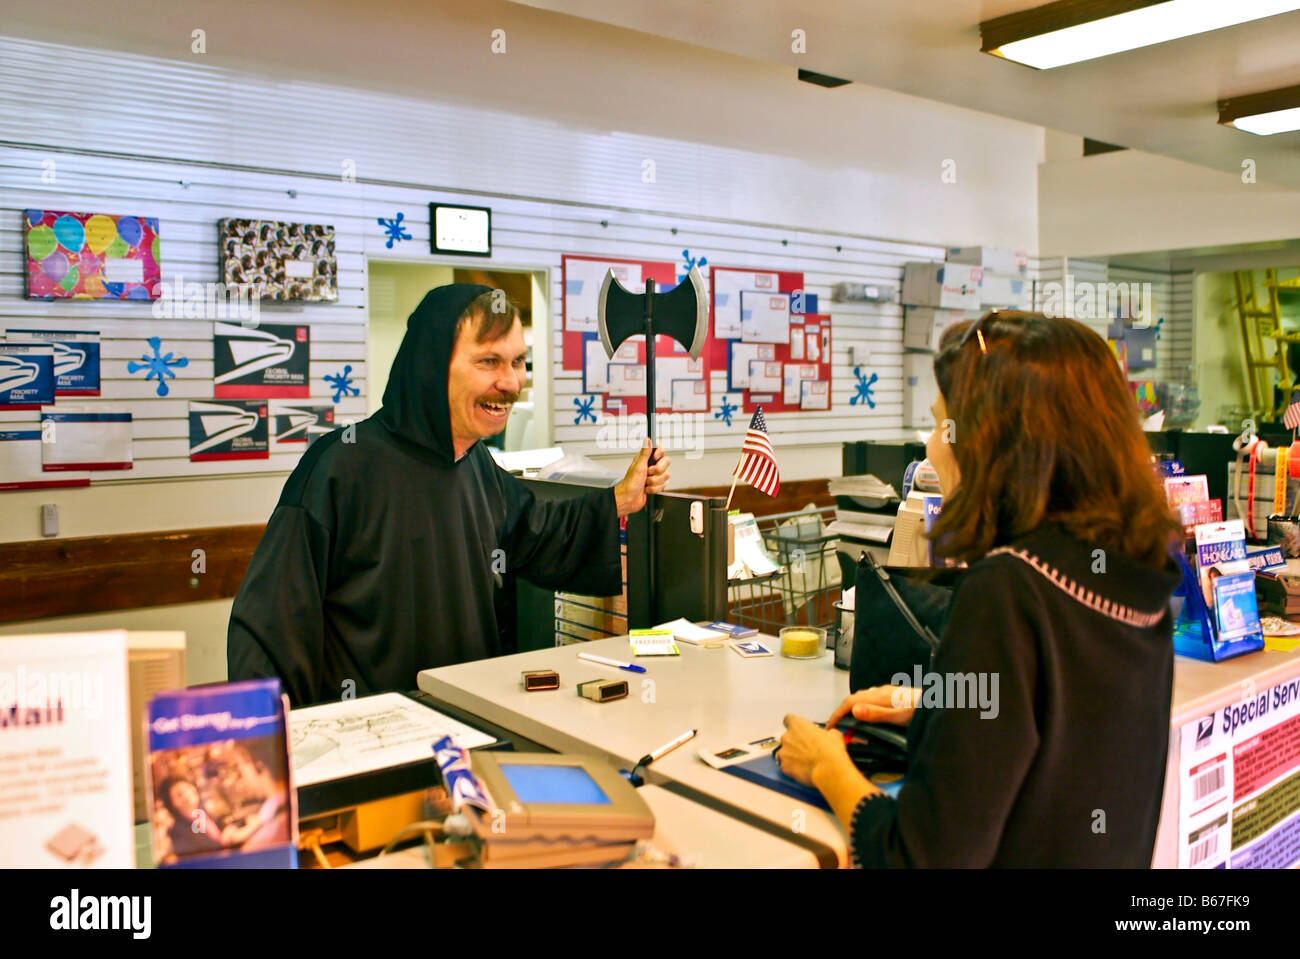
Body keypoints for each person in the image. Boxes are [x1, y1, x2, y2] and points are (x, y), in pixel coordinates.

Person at [779, 310, 1181, 867]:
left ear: (995, 443)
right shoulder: (1132, 573)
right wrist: (951, 707)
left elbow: (922, 856)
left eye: (943, 426)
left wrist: (826, 765)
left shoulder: (1007, 590)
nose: (930, 447)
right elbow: (1073, 736)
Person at [228, 283, 669, 706]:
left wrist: (620, 498)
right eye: (489, 362)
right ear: (432, 364)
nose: (512, 383)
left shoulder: (478, 465)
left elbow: (536, 530)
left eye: (518, 362)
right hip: (371, 746)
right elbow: (272, 628)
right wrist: (274, 748)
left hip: (469, 725)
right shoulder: (340, 467)